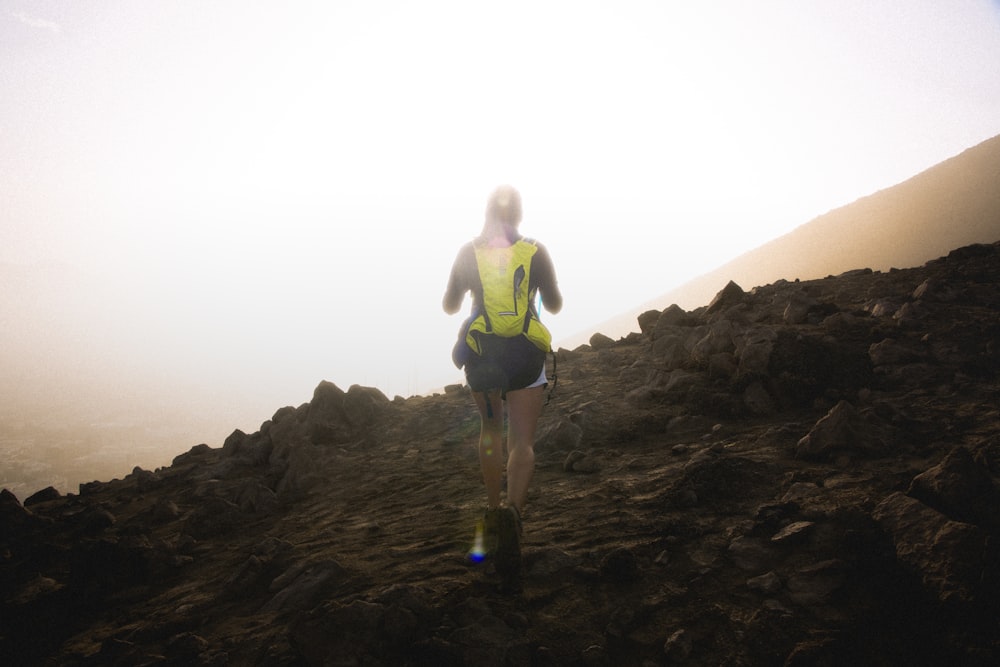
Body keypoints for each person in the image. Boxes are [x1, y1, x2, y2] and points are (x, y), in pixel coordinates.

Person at [443, 185, 562, 576]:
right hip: (526, 355)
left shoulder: (468, 252)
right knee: (522, 443)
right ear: (520, 214)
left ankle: (493, 515)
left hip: (483, 359)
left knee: (491, 431)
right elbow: (556, 303)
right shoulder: (535, 251)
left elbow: (449, 305)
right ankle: (514, 515)